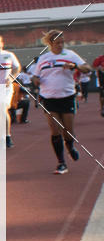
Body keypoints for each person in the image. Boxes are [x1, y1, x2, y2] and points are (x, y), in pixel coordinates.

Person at [31, 30, 91, 174]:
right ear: (50, 43)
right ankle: (61, 163)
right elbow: (34, 76)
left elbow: (88, 68)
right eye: (57, 42)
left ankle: (70, 146)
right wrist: (36, 80)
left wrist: (75, 66)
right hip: (49, 98)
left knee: (68, 132)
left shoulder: (70, 55)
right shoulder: (43, 58)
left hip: (67, 97)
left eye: (62, 42)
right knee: (55, 130)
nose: (60, 45)